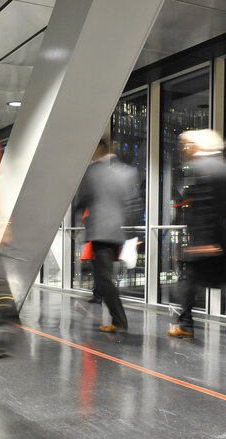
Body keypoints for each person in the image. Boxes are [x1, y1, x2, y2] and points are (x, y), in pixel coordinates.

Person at [167, 130, 226, 347]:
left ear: (199, 146)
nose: (185, 150)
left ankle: (185, 326)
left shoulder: (200, 168)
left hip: (208, 238)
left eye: (188, 146)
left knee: (189, 280)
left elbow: (204, 208)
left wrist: (203, 243)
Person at [75, 136, 140, 333]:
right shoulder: (128, 172)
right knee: (106, 277)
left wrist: (77, 221)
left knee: (103, 278)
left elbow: (82, 199)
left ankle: (119, 320)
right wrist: (132, 232)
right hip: (118, 230)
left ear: (100, 148)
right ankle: (118, 319)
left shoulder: (93, 171)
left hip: (101, 231)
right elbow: (133, 203)